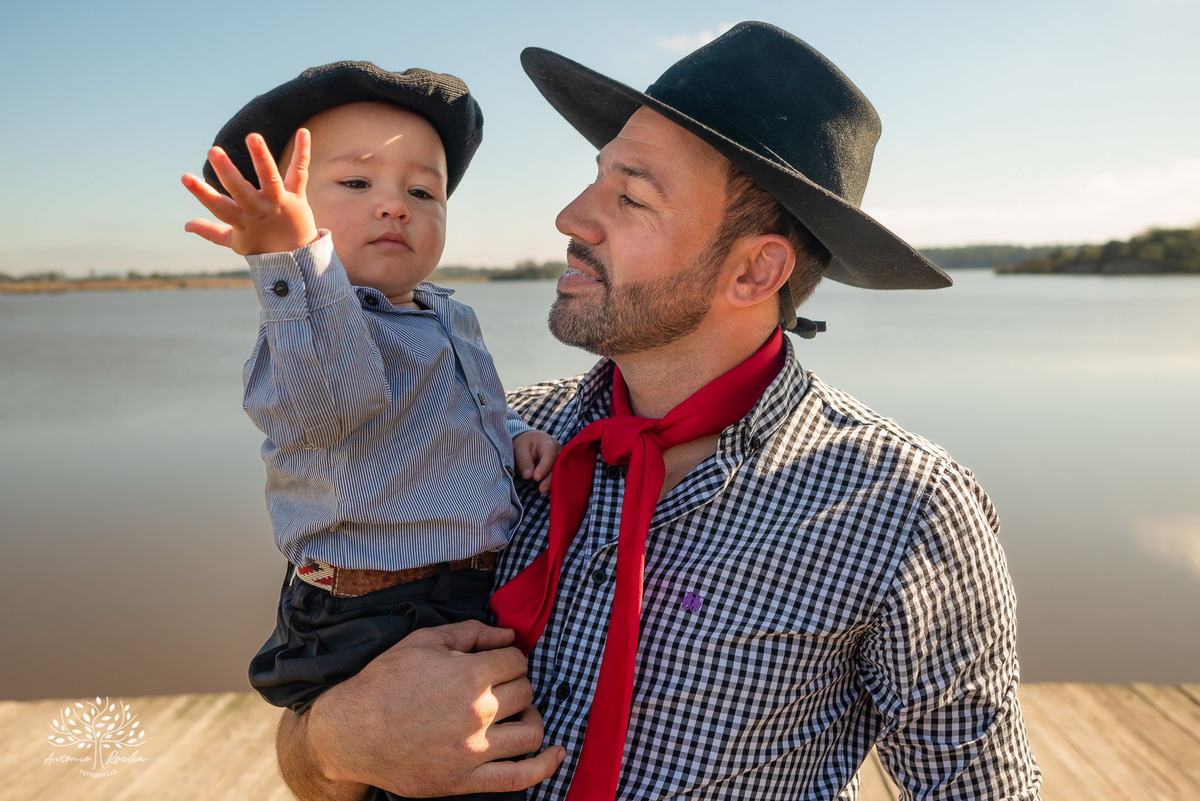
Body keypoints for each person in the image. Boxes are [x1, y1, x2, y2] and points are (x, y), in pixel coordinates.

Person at [275, 23, 1043, 801]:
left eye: (630, 196)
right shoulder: (489, 433)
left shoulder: (901, 506)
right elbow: (311, 739)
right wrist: (337, 740)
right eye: (595, 178)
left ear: (754, 269)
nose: (571, 216)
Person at [180, 62, 559, 800]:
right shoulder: (313, 335)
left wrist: (513, 431)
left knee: (476, 752)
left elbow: (464, 405)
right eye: (356, 184)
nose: (394, 206)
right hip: (367, 610)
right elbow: (331, 407)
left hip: (457, 589)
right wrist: (291, 263)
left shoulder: (447, 314)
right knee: (420, 771)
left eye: (423, 191)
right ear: (288, 214)